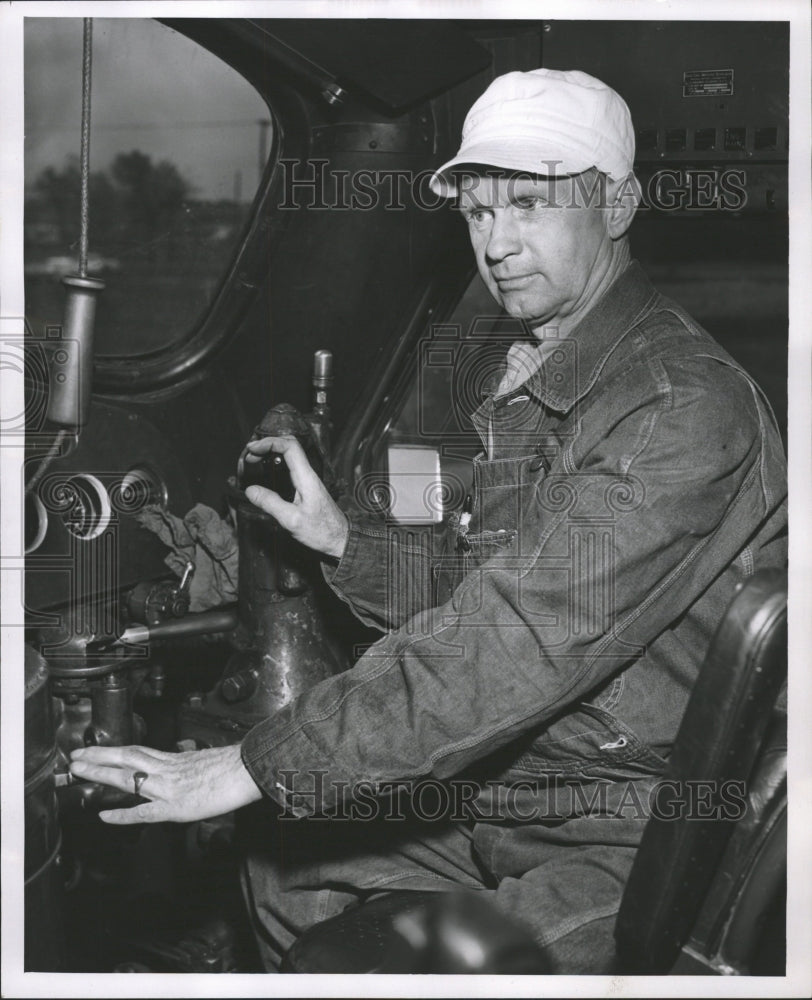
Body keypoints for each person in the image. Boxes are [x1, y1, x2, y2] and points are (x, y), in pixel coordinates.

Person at [68, 69, 787, 973]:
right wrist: (344, 541)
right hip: (529, 785)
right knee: (281, 866)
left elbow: (514, 641)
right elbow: (487, 591)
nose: (499, 243)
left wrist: (247, 765)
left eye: (529, 205)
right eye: (480, 214)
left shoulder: (675, 407)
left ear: (618, 206)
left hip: (638, 825)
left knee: (355, 948)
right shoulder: (539, 373)